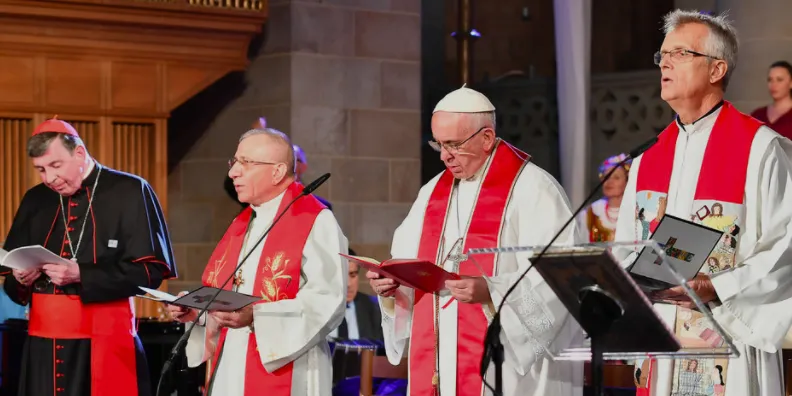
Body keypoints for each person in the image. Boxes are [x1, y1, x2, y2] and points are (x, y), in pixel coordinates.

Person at [614, 10, 792, 396]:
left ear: (716, 70)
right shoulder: (649, 155)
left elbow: (785, 247)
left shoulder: (761, 149)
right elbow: (625, 243)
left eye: (680, 53)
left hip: (728, 332)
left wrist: (717, 286)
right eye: (662, 55)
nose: (665, 64)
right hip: (661, 335)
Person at [367, 85, 582, 396]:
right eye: (438, 144)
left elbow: (562, 280)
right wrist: (391, 287)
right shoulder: (431, 193)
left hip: (507, 365)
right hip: (441, 359)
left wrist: (493, 292)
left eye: (454, 144)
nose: (444, 156)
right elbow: (407, 264)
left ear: (486, 138)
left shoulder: (534, 189)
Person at [0, 117, 176, 396]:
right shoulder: (36, 198)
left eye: (56, 166)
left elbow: (151, 273)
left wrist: (82, 274)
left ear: (79, 153)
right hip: (42, 345)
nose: (49, 178)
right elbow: (11, 283)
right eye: (40, 169)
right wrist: (21, 277)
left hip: (105, 340)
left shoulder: (129, 190)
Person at [167, 128, 348, 396]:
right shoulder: (244, 223)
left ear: (277, 172)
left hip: (287, 363)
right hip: (231, 364)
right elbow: (231, 295)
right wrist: (199, 314)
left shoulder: (315, 220)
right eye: (234, 162)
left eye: (245, 163)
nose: (233, 173)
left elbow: (327, 301)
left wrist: (257, 317)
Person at [328, 248, 383, 341]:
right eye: (342, 276)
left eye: (353, 275)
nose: (348, 284)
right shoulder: (315, 307)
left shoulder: (374, 308)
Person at [576, 153, 631, 242]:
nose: (609, 182)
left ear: (627, 181)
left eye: (616, 177)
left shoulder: (635, 212)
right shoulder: (590, 213)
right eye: (606, 177)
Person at [751, 61, 792, 139]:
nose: (774, 84)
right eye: (770, 80)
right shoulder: (758, 115)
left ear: (791, 83)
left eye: (779, 79)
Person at [293, 143, 333, 210]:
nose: (289, 163)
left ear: (304, 167)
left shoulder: (321, 206)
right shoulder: (271, 199)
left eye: (294, 159)